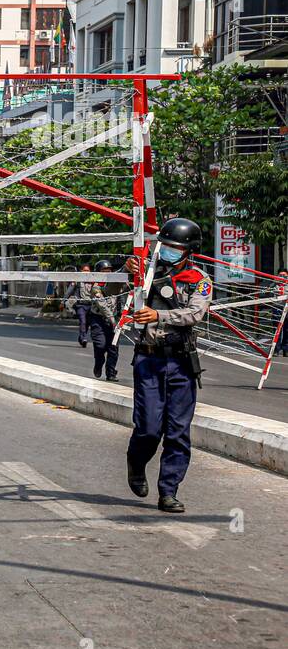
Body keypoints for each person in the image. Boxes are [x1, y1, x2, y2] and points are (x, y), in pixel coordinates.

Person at [124, 217, 211, 514]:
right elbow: (134, 291)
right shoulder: (148, 273)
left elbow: (194, 314)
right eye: (166, 246)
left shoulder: (199, 279)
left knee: (178, 431)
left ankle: (168, 491)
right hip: (149, 359)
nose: (169, 252)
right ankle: (136, 463)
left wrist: (158, 317)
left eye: (175, 248)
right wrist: (131, 272)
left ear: (188, 251)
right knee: (148, 428)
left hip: (181, 363)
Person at [86, 258, 125, 381]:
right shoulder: (96, 287)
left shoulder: (117, 284)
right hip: (98, 319)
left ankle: (111, 373)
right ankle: (99, 363)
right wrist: (112, 319)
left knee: (113, 348)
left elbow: (125, 295)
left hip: (115, 319)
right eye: (104, 271)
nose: (107, 273)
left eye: (109, 270)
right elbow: (101, 304)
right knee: (100, 345)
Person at [65, 264, 93, 348]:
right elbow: (69, 291)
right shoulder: (77, 280)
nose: (86, 272)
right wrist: (63, 300)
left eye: (88, 271)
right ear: (81, 271)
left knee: (87, 323)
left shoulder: (93, 280)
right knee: (83, 321)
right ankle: (84, 338)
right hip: (80, 305)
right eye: (84, 270)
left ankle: (81, 337)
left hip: (90, 305)